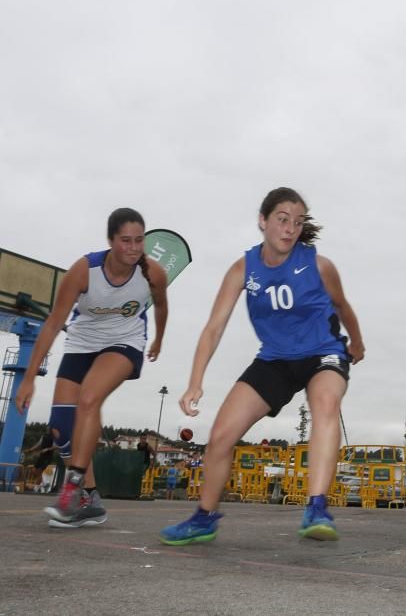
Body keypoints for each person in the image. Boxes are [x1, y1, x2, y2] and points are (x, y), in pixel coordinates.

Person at [159, 187, 364, 545]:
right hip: (275, 358)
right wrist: (195, 382)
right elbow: (213, 327)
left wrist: (357, 343)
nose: (289, 229)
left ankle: (317, 508)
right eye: (282, 220)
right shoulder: (243, 269)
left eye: (297, 223)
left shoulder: (318, 265)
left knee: (326, 405)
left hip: (323, 352)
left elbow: (343, 307)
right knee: (221, 436)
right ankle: (203, 518)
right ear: (263, 221)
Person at [14, 208, 168, 528]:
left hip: (124, 341)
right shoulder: (84, 270)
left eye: (139, 240)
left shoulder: (152, 273)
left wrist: (158, 340)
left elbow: (162, 307)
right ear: (111, 241)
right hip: (82, 342)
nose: (133, 247)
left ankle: (71, 488)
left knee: (89, 398)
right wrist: (29, 378)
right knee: (59, 426)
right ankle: (90, 499)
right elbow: (54, 322)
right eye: (125, 240)